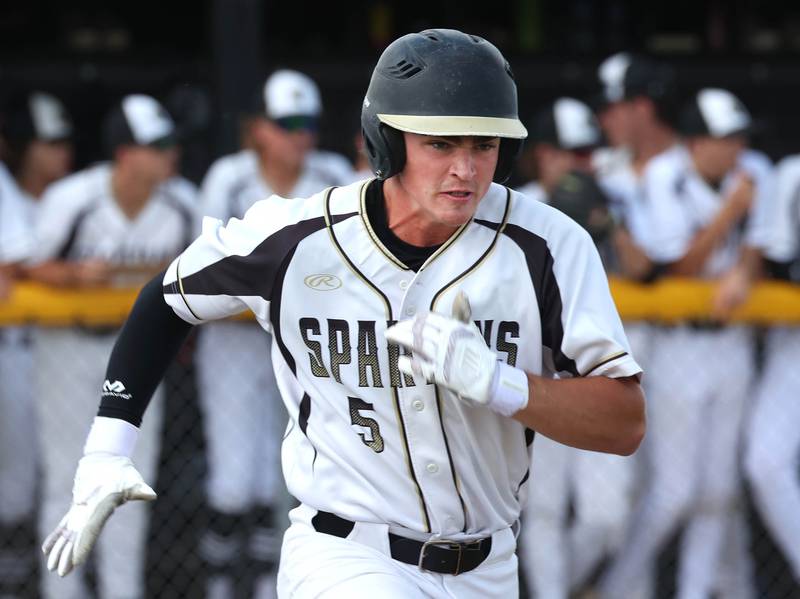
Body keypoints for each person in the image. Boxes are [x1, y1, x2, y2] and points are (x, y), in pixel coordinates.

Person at [41, 29, 645, 599]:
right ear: (386, 141)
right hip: (346, 555)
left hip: (488, 568)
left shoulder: (547, 245)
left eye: (483, 144)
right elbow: (166, 299)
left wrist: (501, 384)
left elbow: (624, 422)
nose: (465, 169)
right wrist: (105, 450)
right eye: (439, 143)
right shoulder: (297, 237)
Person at [600, 88, 771, 599]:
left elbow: (762, 244)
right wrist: (730, 214)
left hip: (733, 345)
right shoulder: (664, 175)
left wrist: (744, 267)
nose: (736, 147)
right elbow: (678, 267)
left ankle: (695, 593)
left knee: (718, 493)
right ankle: (616, 587)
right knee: (673, 494)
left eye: (740, 137)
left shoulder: (754, 166)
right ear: (696, 143)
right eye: (725, 138)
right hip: (678, 346)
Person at [28, 94, 197, 599]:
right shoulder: (73, 197)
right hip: (67, 352)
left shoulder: (182, 203)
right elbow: (22, 267)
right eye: (158, 146)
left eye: (172, 144)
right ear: (125, 154)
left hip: (139, 359)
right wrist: (73, 275)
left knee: (128, 485)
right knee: (65, 480)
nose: (172, 154)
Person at [195, 68, 354, 599]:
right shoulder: (228, 176)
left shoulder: (333, 171)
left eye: (307, 123)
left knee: (285, 478)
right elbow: (207, 265)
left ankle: (271, 589)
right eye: (287, 123)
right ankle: (221, 590)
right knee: (233, 480)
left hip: (306, 345)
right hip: (234, 345)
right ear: (259, 128)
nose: (299, 135)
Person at [515, 97, 633, 599]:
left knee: (610, 514)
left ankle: (567, 583)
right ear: (543, 154)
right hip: (536, 370)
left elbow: (645, 268)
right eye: (569, 152)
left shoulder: (612, 197)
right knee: (540, 508)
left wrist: (604, 218)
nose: (580, 162)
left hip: (596, 373)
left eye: (587, 152)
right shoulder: (513, 204)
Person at [0, 90, 74, 599]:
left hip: (50, 355)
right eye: (47, 142)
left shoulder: (74, 201)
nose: (59, 152)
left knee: (38, 483)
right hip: (12, 352)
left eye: (63, 142)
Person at [714, 149, 800, 585]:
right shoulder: (792, 173)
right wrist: (746, 270)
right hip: (795, 343)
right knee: (765, 463)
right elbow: (775, 256)